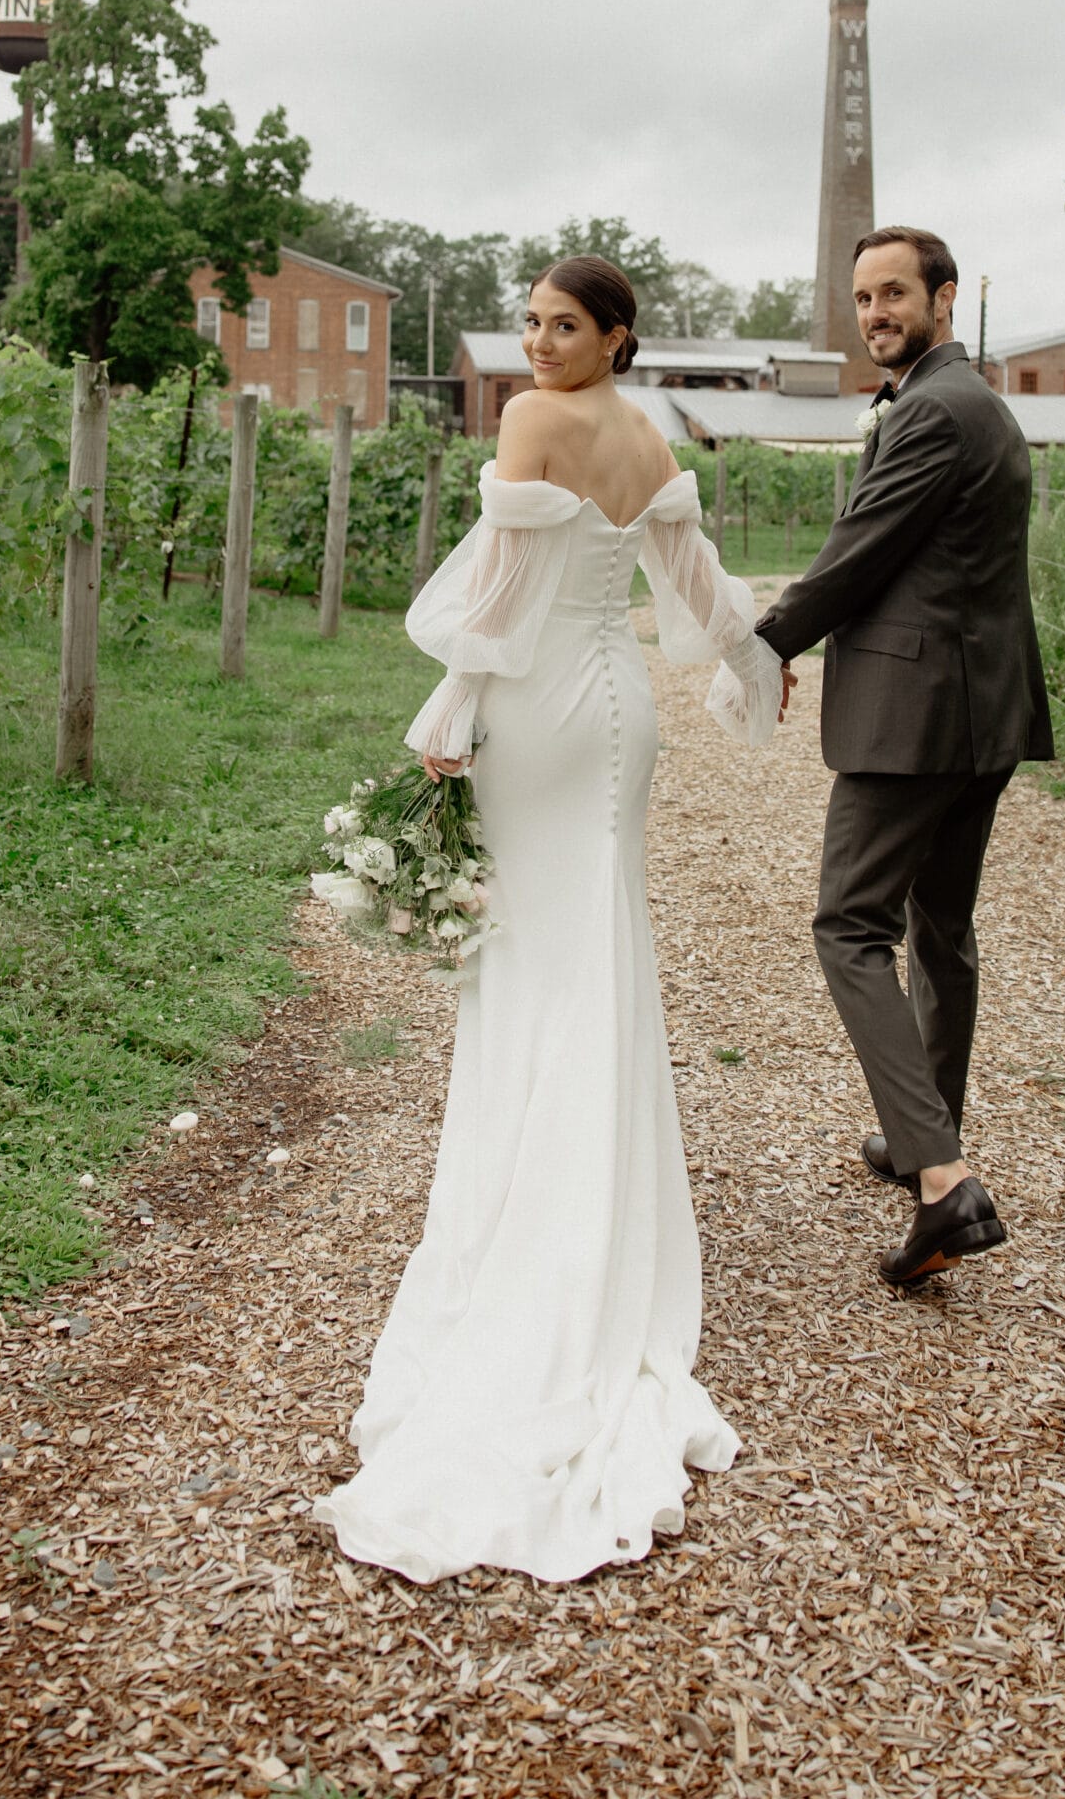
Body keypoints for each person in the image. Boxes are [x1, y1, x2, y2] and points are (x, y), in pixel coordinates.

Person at [314, 255, 783, 1584]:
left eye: (560, 326)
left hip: (540, 717)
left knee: (532, 961)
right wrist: (755, 664)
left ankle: (537, 1227)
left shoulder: (532, 424)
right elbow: (695, 586)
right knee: (597, 954)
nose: (533, 346)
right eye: (527, 325)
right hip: (619, 719)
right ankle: (603, 1228)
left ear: (614, 337)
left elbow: (505, 599)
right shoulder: (650, 437)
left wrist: (448, 709)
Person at [755, 227, 1052, 1290]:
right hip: (978, 716)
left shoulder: (934, 410)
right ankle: (923, 1132)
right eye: (862, 297)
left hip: (919, 717)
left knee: (850, 924)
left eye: (894, 294)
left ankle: (943, 1177)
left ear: (945, 297)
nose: (875, 312)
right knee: (942, 931)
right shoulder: (968, 401)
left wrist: (763, 645)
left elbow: (860, 549)